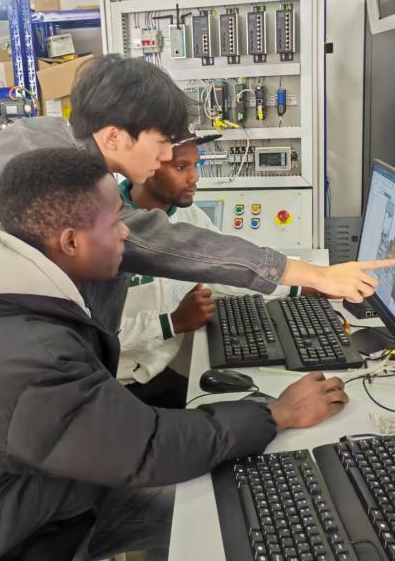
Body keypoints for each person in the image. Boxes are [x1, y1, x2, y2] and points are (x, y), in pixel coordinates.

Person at [0, 148, 351, 561]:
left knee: (220, 497)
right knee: (234, 509)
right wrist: (275, 413)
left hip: (40, 505)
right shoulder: (28, 354)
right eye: (114, 223)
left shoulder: (6, 303)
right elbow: (148, 448)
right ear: (70, 242)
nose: (127, 232)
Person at [0, 55, 392, 364]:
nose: (168, 157)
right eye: (163, 141)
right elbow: (161, 242)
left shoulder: (47, 135)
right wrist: (314, 275)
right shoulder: (69, 174)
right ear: (114, 137)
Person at [117, 131, 317, 408]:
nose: (194, 178)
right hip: (118, 383)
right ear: (146, 166)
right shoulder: (106, 229)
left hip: (157, 372)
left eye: (196, 165)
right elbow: (91, 335)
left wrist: (300, 286)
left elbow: (225, 269)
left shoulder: (188, 215)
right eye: (181, 167)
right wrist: (172, 323)